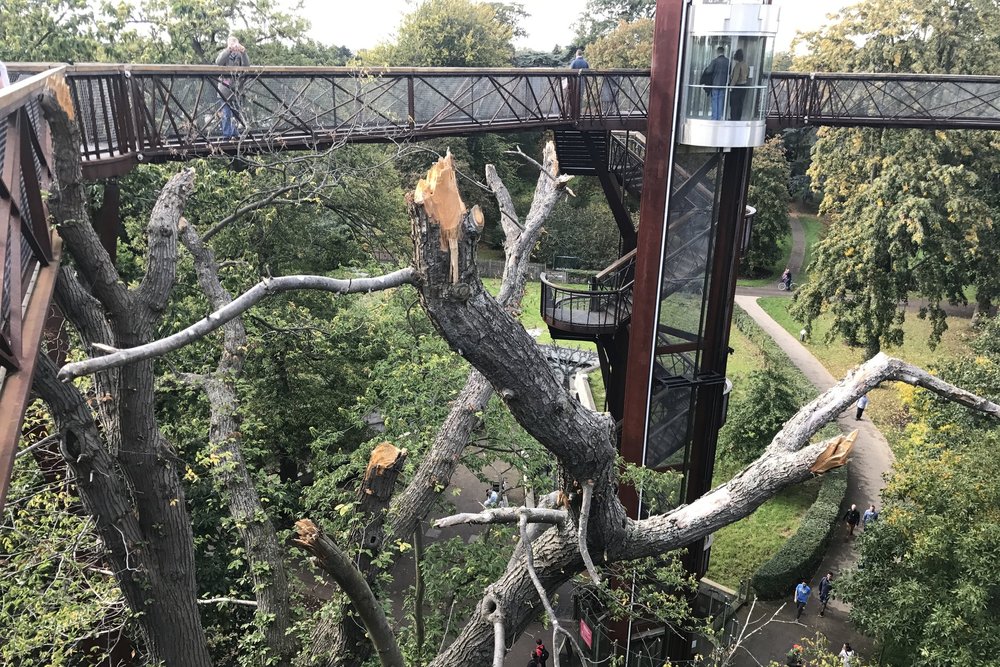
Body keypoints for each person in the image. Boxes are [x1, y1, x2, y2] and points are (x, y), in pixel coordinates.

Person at [215, 35, 251, 138]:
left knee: (236, 114)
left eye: (235, 45)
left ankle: (235, 133)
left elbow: (247, 66)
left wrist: (243, 52)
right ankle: (226, 135)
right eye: (232, 45)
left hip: (236, 89)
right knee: (226, 114)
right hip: (224, 90)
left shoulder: (240, 55)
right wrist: (228, 50)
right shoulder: (224, 53)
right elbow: (218, 62)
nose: (234, 47)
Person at [704, 46, 730, 120]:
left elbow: (709, 71)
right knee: (720, 100)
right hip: (723, 84)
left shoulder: (715, 61)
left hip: (715, 83)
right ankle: (719, 117)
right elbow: (729, 72)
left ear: (718, 52)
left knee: (715, 100)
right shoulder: (727, 61)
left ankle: (714, 117)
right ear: (723, 52)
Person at [729, 48, 750, 119]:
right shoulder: (746, 65)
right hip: (744, 86)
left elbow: (735, 77)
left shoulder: (738, 65)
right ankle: (738, 118)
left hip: (737, 86)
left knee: (734, 104)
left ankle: (733, 119)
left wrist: (731, 87)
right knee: (740, 104)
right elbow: (747, 76)